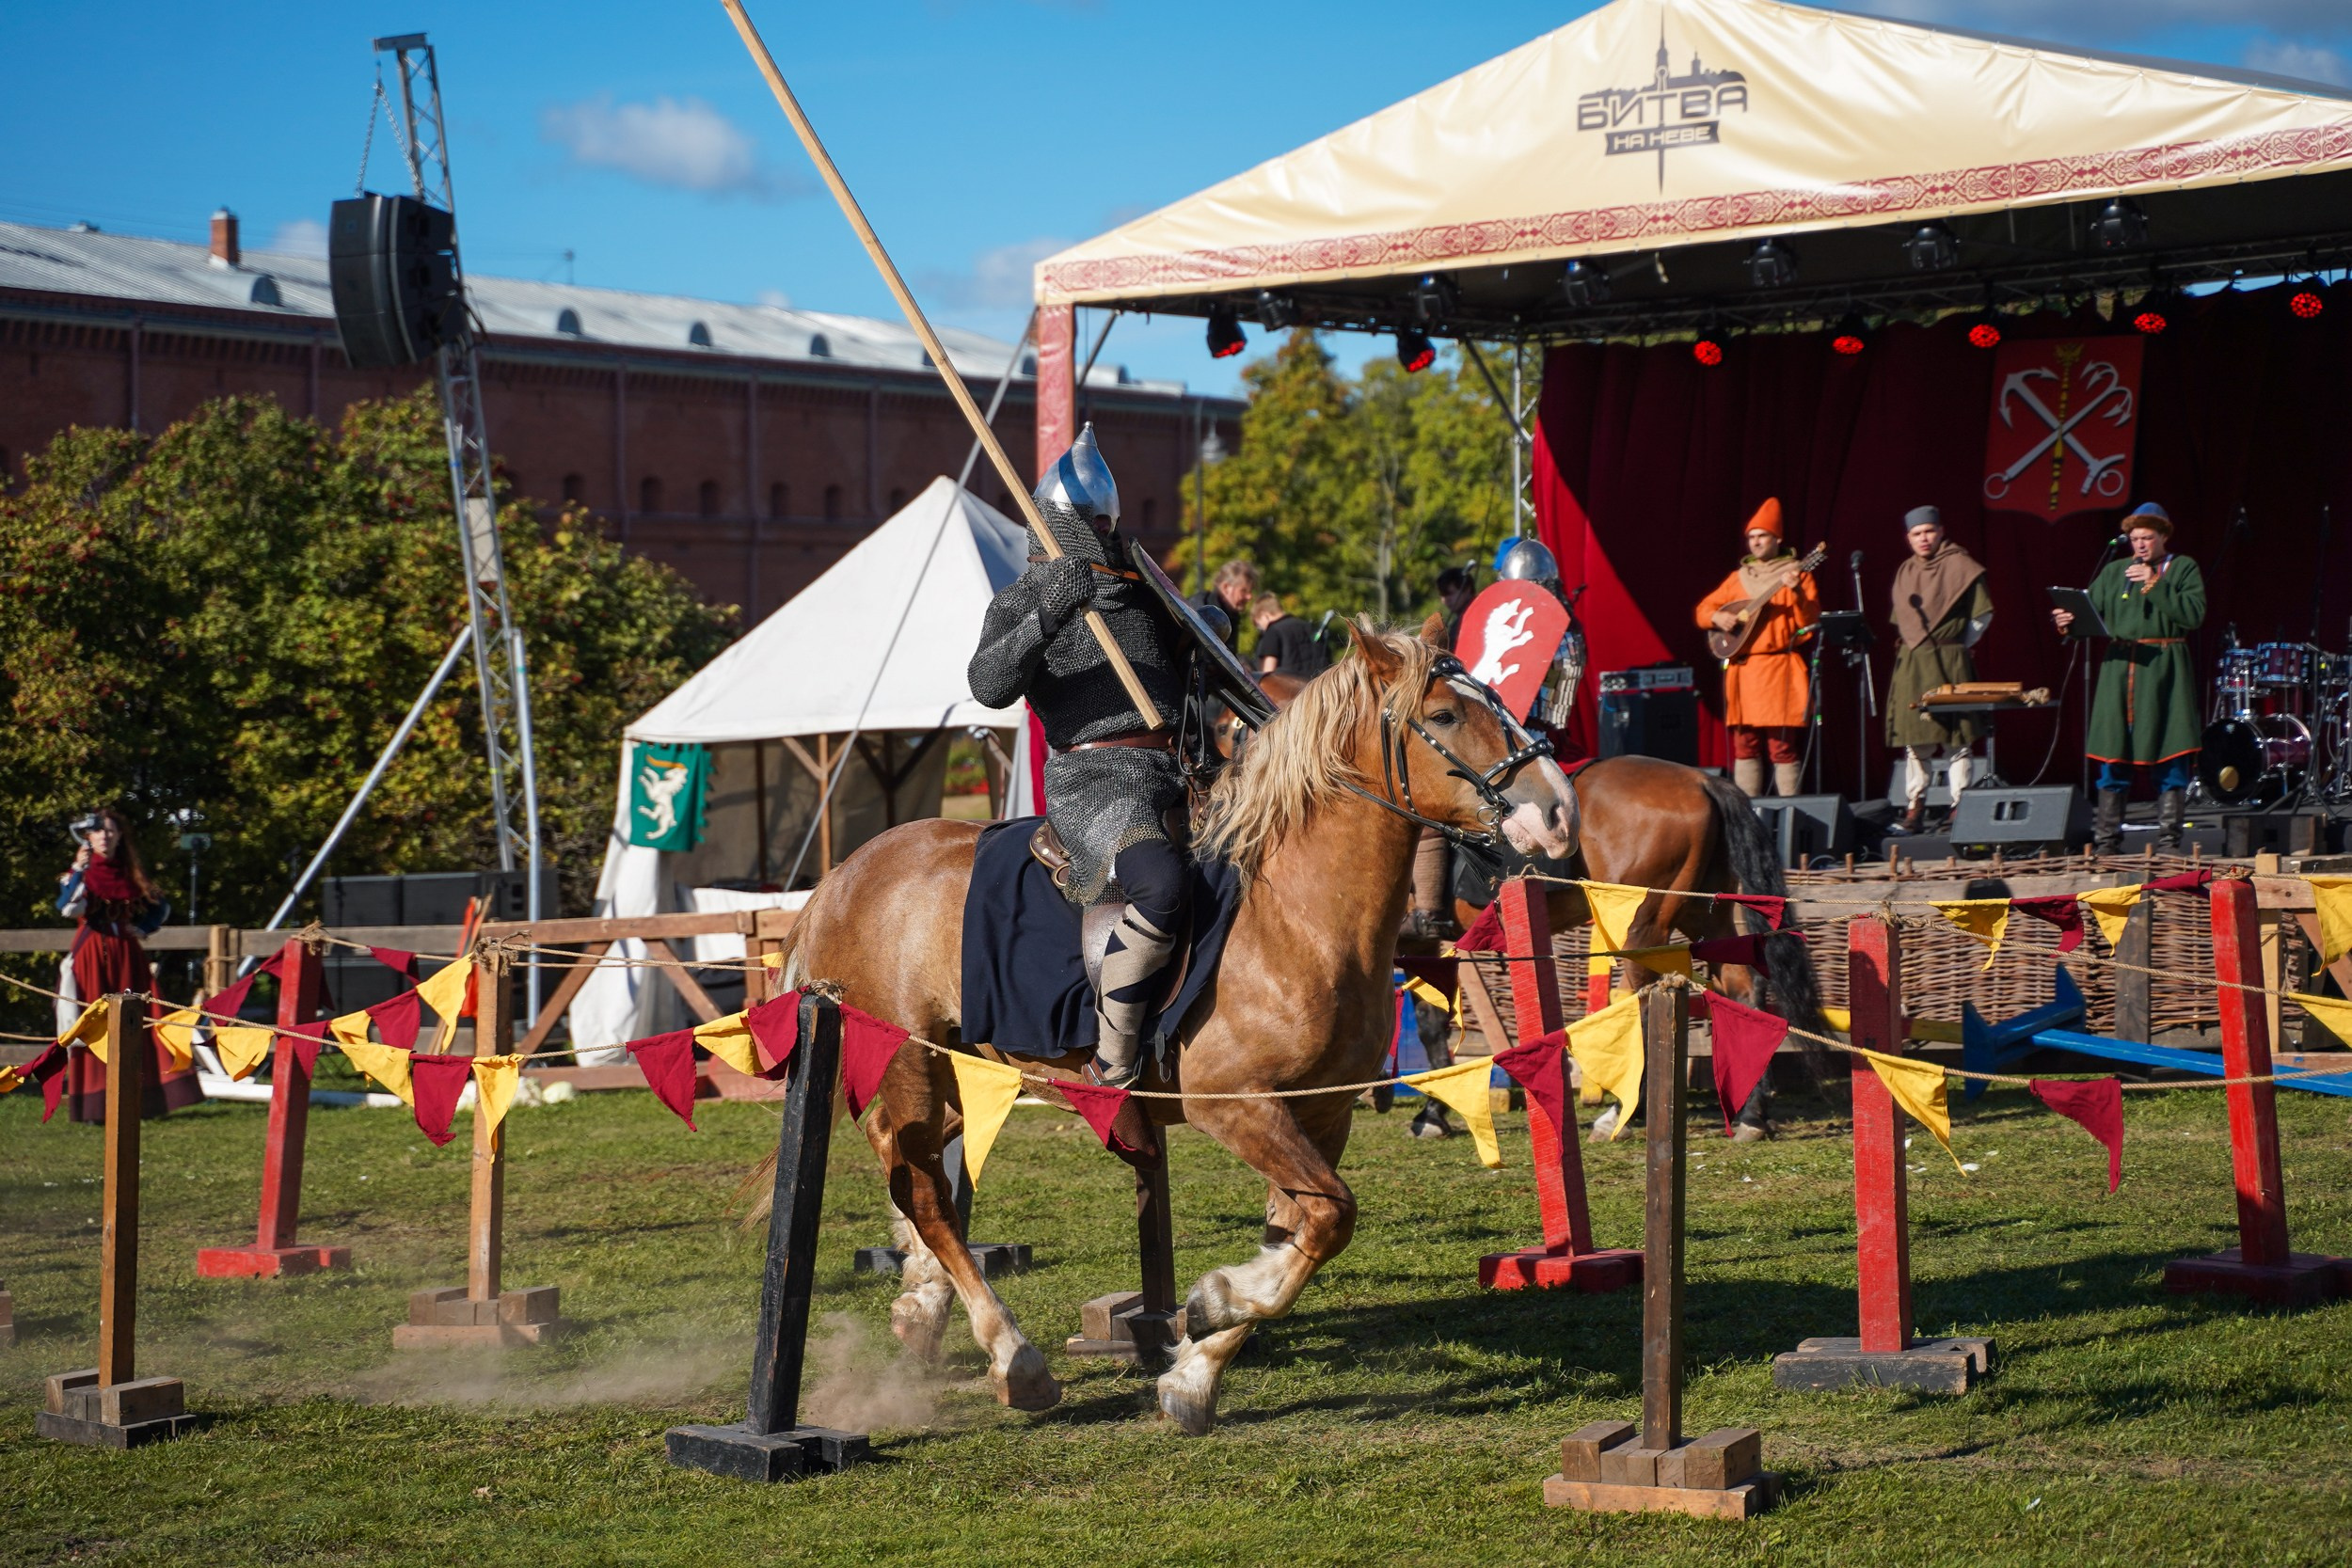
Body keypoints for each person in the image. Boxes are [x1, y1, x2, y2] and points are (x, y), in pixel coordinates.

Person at [969, 425, 1194, 1088]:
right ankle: (1114, 1055)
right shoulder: (1022, 597)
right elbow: (988, 685)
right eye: (1090, 517)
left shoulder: (1139, 589)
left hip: (1183, 772)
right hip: (1101, 783)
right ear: (1060, 523)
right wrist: (1046, 616)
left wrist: (1201, 625)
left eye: (1108, 516)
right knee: (1160, 886)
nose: (1102, 525)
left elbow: (1192, 667)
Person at [2052, 500, 2206, 853]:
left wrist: (2154, 583)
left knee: (2170, 752)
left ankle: (2169, 840)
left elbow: (2193, 615)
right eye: (2134, 538)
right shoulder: (2114, 571)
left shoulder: (2181, 568)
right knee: (2113, 752)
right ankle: (2107, 840)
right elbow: (2094, 613)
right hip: (2118, 669)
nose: (2139, 544)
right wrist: (2069, 623)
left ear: (2163, 535)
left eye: (2147, 538)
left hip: (2164, 668)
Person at [56, 807, 182, 1119]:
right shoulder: (78, 873)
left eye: (111, 830)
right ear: (89, 836)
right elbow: (67, 909)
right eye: (99, 830)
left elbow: (160, 906)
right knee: (94, 1025)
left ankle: (144, 1102)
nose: (105, 835)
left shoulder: (130, 873)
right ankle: (96, 1106)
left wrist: (143, 928)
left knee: (137, 1023)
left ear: (120, 836)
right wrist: (79, 870)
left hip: (127, 955)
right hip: (91, 957)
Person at [1696, 499, 1820, 798]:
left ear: (1778, 539)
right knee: (1744, 745)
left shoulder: (1797, 573)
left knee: (1782, 747)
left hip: (1779, 672)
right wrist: (1717, 616)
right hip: (1744, 671)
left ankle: (1791, 810)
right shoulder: (1737, 579)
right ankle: (1747, 812)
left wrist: (1798, 592)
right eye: (1751, 537)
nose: (1756, 542)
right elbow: (1703, 611)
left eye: (1762, 536)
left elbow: (1809, 621)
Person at [1885, 505, 1992, 833]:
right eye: (1917, 534)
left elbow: (1982, 615)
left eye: (1929, 531)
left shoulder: (1962, 565)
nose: (1924, 538)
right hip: (1913, 663)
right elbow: (1901, 619)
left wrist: (1957, 644)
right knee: (1915, 739)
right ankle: (1915, 807)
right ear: (1908, 538)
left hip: (1948, 659)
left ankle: (1960, 806)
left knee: (1956, 736)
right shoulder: (1905, 571)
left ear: (1941, 531)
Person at [1251, 594, 1329, 681]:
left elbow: (1267, 676)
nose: (1261, 629)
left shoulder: (1273, 631)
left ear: (1264, 615)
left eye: (1258, 625)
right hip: (1318, 688)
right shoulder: (1309, 627)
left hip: (1290, 691)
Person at [1194, 559, 1260, 654]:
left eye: (1250, 591)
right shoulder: (1202, 609)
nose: (1249, 597)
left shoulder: (1232, 614)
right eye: (1244, 591)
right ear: (1226, 587)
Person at [1435, 564, 1478, 653]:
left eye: (1450, 593)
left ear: (1467, 589)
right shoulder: (1456, 623)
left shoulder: (1477, 615)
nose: (1446, 600)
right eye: (1443, 595)